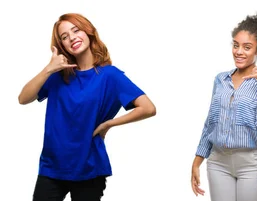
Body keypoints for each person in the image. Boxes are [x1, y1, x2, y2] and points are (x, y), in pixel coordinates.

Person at [17, 13, 157, 201]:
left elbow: (148, 107)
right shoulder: (58, 75)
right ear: (62, 45)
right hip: (52, 167)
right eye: (64, 37)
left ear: (89, 32)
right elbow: (23, 98)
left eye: (76, 30)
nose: (72, 38)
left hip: (89, 167)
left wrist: (109, 124)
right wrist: (48, 69)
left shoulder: (110, 75)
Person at [190, 12, 257, 201]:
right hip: (217, 161)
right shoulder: (221, 79)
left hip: (250, 163)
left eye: (247, 47)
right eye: (236, 45)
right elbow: (211, 122)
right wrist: (198, 159)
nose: (239, 51)